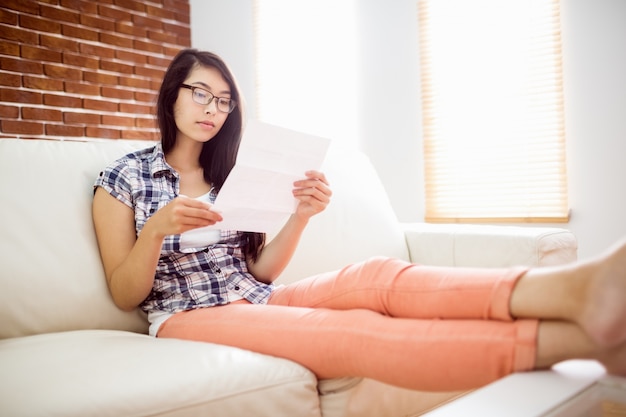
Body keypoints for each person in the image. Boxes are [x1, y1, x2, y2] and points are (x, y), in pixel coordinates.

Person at [92, 48, 626, 392]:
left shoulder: (232, 170)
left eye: (225, 101)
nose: (213, 108)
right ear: (172, 95)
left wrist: (301, 215)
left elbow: (260, 275)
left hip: (253, 296)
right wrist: (158, 230)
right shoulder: (124, 177)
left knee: (373, 276)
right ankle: (585, 345)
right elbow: (124, 293)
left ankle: (575, 289)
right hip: (184, 316)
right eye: (201, 93)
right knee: (351, 331)